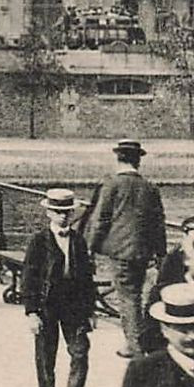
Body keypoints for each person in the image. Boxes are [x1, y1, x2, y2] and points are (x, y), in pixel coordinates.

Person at [80, 139, 166, 358]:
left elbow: (100, 220)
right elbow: (159, 223)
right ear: (138, 161)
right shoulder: (149, 187)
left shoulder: (112, 185)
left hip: (120, 252)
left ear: (118, 158)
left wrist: (88, 248)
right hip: (143, 252)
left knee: (128, 299)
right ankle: (133, 343)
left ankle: (137, 351)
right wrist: (160, 253)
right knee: (136, 296)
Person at [20, 187, 96, 387]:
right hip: (46, 306)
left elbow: (87, 277)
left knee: (80, 354)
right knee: (45, 360)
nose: (63, 217)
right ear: (49, 213)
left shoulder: (78, 240)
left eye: (67, 212)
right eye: (58, 212)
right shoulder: (39, 241)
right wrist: (31, 312)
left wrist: (90, 310)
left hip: (74, 307)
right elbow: (29, 277)